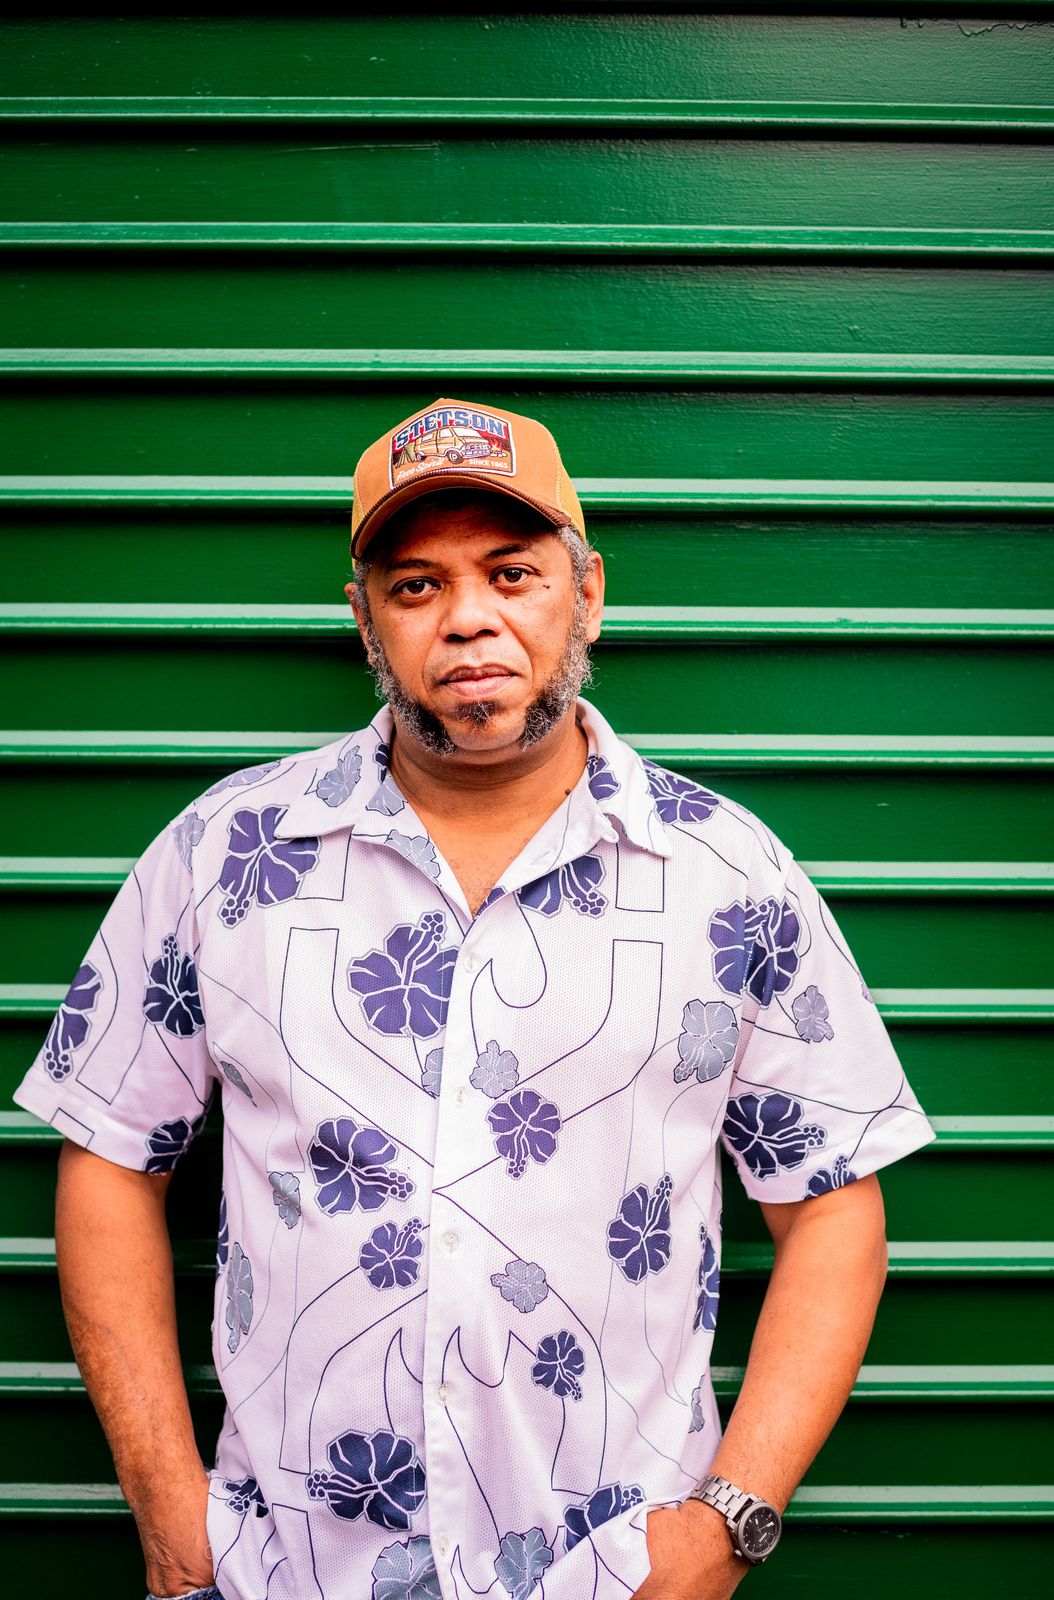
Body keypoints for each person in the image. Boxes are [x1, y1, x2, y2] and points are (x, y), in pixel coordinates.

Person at [14, 397, 936, 1600]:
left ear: (586, 594)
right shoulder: (222, 856)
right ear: (366, 620)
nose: (468, 618)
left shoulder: (726, 872)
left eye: (512, 573)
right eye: (416, 586)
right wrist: (167, 1507)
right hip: (286, 1566)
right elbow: (109, 1158)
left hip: (612, 1570)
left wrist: (727, 1521)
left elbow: (831, 1206)